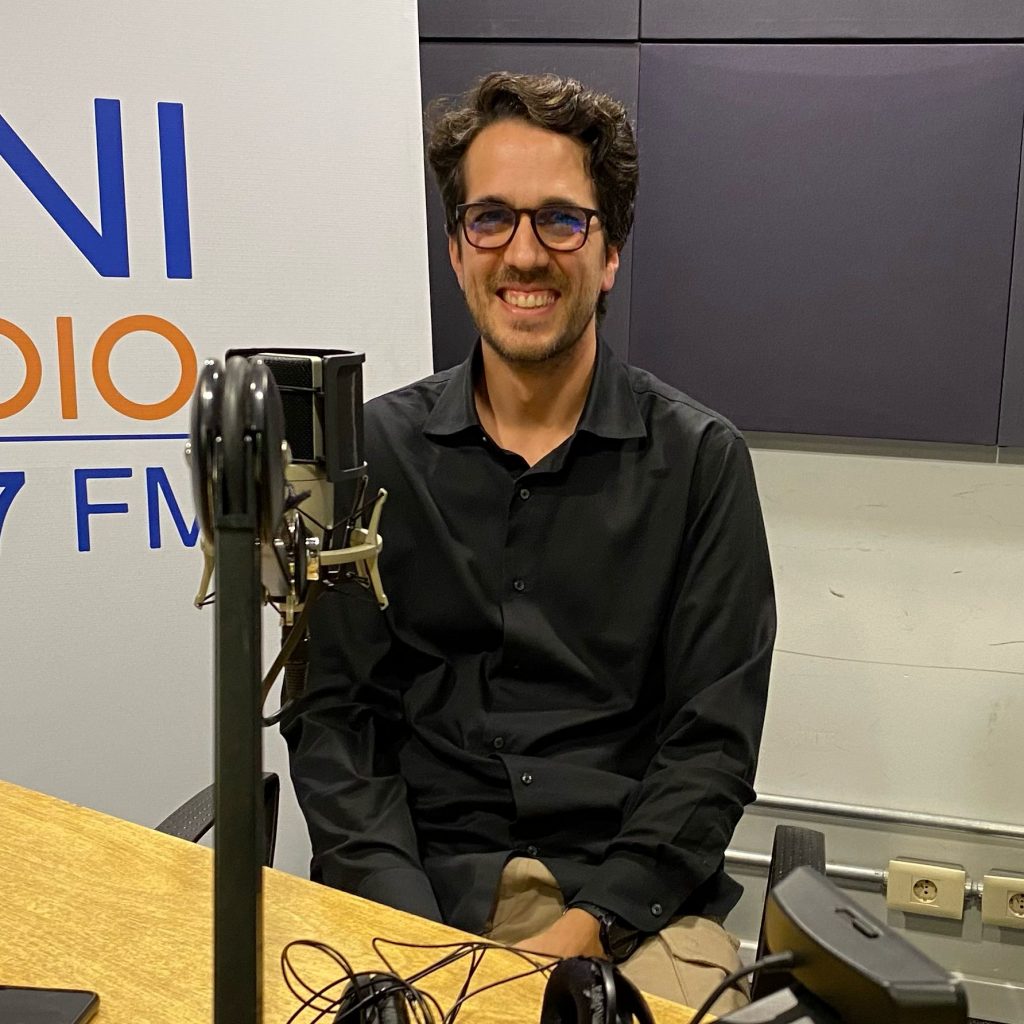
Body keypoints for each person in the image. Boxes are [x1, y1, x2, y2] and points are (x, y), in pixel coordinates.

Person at [282, 71, 776, 1015]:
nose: (523, 253)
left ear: (611, 251)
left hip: (632, 910)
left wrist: (586, 928)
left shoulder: (702, 463)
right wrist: (411, 934)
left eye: (560, 220)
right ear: (456, 248)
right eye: (491, 219)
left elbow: (710, 749)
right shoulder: (370, 454)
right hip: (416, 891)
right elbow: (337, 723)